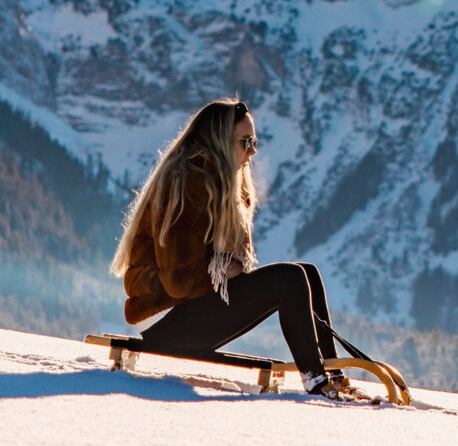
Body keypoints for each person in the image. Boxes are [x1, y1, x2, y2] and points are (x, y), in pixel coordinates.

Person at [110, 97, 363, 399]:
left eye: (254, 141)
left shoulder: (213, 178)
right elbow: (178, 280)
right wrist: (222, 269)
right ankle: (317, 381)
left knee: (306, 272)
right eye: (245, 142)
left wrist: (225, 267)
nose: (253, 151)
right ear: (219, 141)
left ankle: (330, 374)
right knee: (290, 279)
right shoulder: (189, 180)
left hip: (180, 309)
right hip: (165, 319)